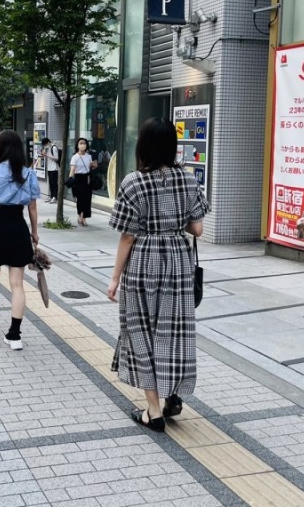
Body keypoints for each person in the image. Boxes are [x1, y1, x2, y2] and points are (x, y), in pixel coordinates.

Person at [107, 117, 210, 433]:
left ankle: (153, 411)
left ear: (144, 146)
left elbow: (127, 236)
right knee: (173, 329)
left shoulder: (133, 182)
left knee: (140, 330)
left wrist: (114, 278)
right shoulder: (188, 180)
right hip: (178, 263)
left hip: (143, 264)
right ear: (172, 147)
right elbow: (198, 228)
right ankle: (172, 395)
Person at [0, 130, 40, 350]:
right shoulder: (28, 174)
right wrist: (34, 232)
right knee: (17, 283)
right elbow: (32, 206)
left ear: (0, 147)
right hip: (18, 227)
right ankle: (14, 335)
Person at [68, 137, 97, 226]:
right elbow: (72, 170)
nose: (83, 145)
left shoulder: (89, 156)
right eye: (81, 143)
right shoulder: (75, 157)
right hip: (78, 179)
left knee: (87, 199)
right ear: (77, 145)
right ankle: (80, 214)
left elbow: (92, 168)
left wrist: (94, 165)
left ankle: (84, 218)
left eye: (84, 143)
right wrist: (70, 179)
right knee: (80, 199)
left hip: (87, 178)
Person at [41, 137, 59, 204]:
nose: (45, 146)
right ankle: (51, 197)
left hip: (54, 168)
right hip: (49, 168)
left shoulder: (54, 147)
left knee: (54, 183)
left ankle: (55, 197)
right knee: (51, 183)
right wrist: (45, 155)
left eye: (45, 144)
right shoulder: (48, 148)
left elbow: (56, 158)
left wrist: (47, 155)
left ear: (48, 142)